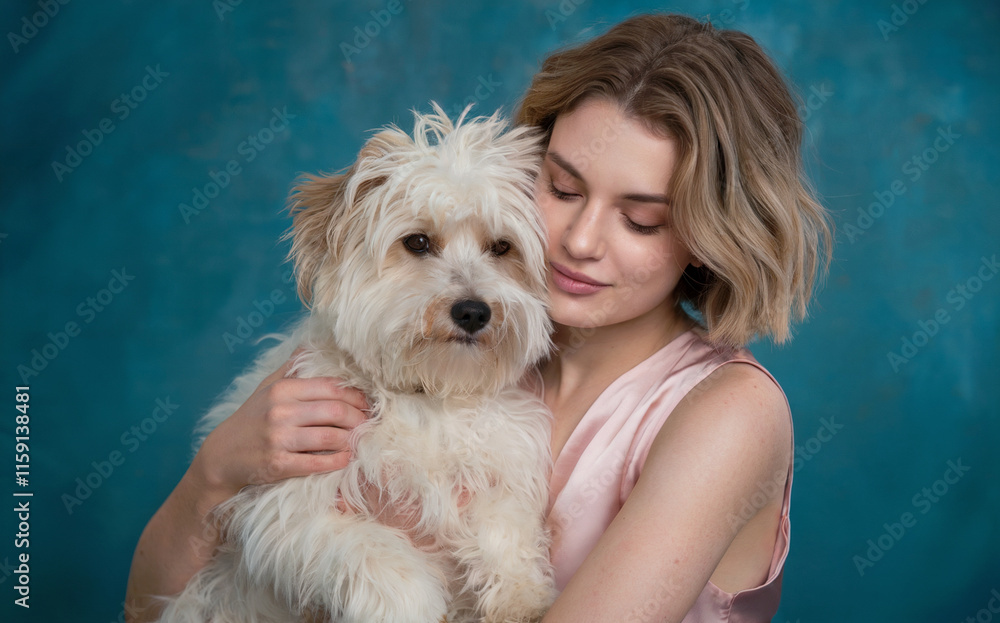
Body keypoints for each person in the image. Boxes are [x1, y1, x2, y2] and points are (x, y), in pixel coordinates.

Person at [126, 13, 832, 623]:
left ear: (711, 235)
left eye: (641, 219)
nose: (580, 241)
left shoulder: (729, 413)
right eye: (561, 187)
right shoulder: (456, 353)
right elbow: (144, 608)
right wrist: (214, 474)